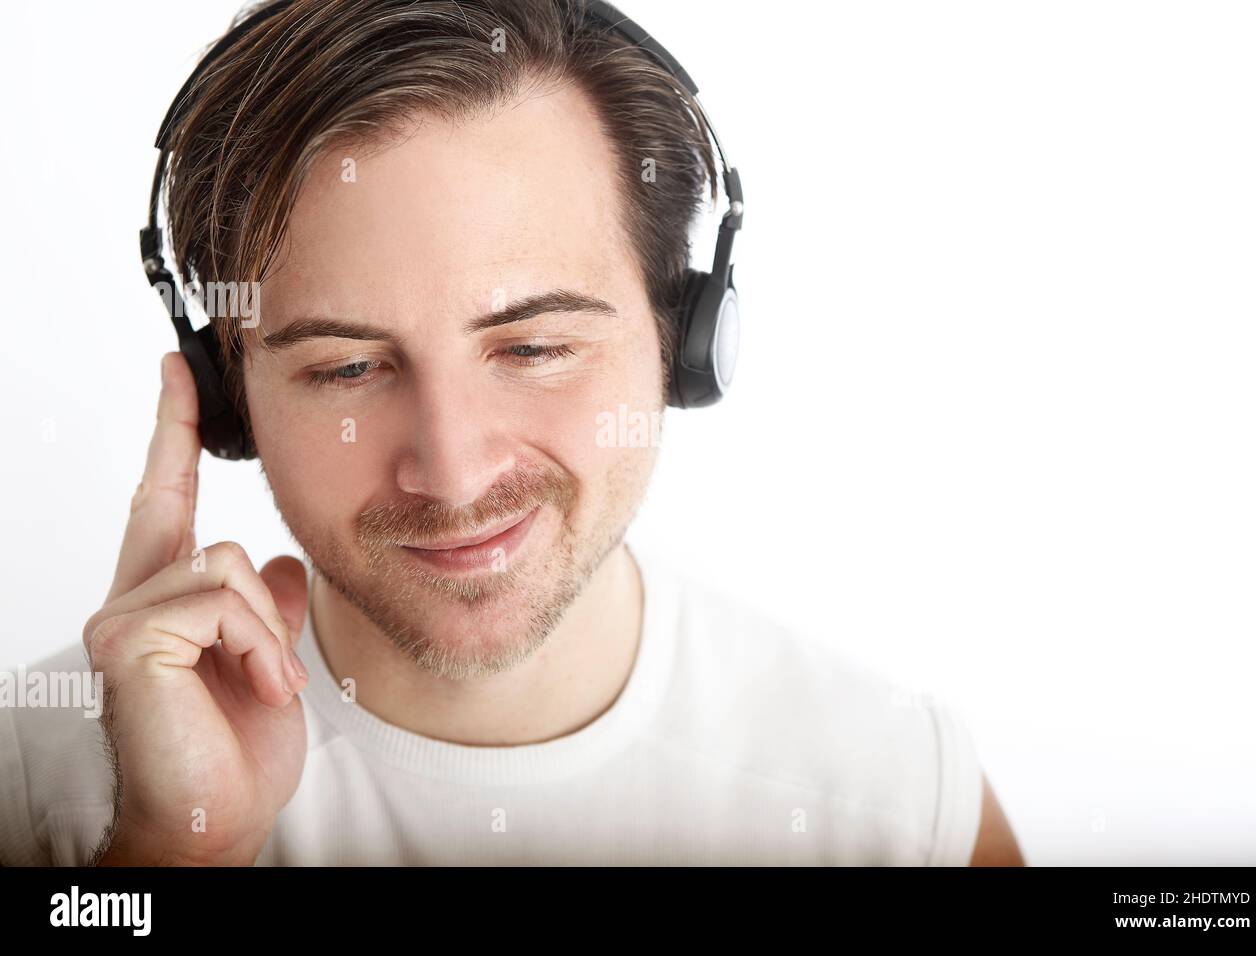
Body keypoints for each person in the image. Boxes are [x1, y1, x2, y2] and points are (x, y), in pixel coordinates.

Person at [0, 0, 1022, 866]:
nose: (451, 469)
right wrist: (169, 853)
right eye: (347, 367)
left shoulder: (896, 798)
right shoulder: (38, 781)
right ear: (229, 397)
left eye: (533, 346)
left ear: (682, 337)